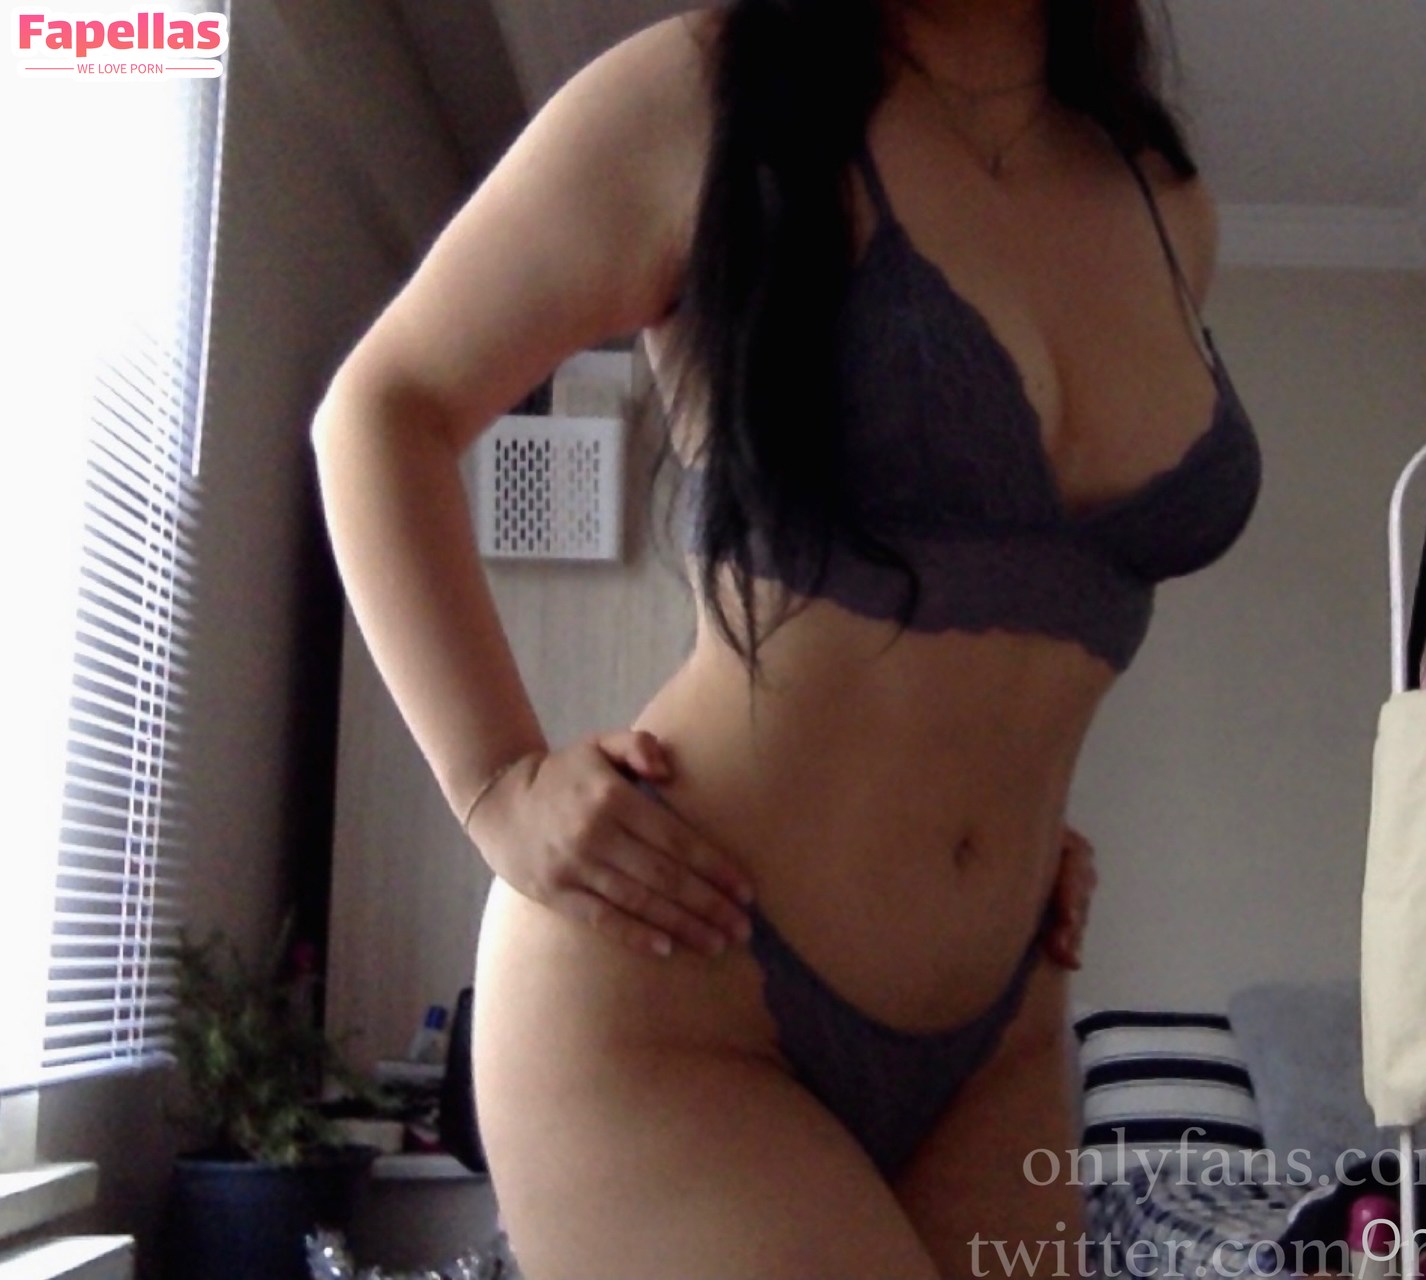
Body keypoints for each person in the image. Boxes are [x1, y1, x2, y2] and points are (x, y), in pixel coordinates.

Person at [309, 0, 1262, 1274]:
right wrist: (496, 779)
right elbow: (384, 406)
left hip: (1004, 1033)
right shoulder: (705, 94)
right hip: (678, 990)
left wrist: (1003, 806)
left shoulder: (1165, 204)